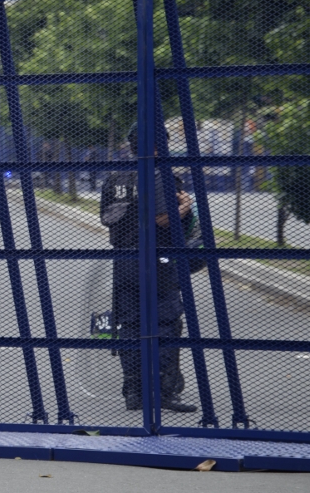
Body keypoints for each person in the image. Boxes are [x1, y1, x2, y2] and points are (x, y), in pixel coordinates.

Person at [99, 123, 197, 413]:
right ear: (158, 145)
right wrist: (185, 207)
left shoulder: (115, 178)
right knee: (166, 324)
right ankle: (164, 391)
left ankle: (133, 391)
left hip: (124, 261)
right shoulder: (161, 175)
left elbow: (106, 218)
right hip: (158, 261)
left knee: (130, 325)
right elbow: (163, 219)